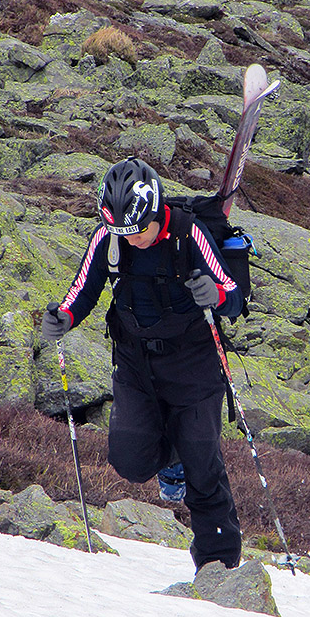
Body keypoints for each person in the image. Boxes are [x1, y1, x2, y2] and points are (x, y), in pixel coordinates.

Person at [41, 156, 243, 572]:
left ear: (155, 213)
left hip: (194, 365)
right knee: (130, 461)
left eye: (138, 231)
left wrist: (216, 294)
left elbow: (234, 296)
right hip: (136, 365)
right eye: (122, 233)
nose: (131, 240)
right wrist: (64, 316)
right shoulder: (109, 237)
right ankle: (173, 456)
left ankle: (219, 567)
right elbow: (83, 289)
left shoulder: (189, 233)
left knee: (203, 469)